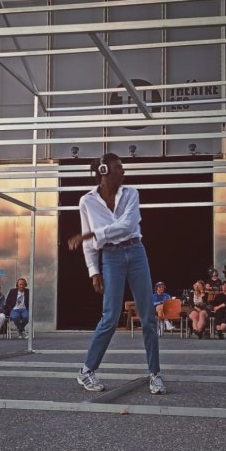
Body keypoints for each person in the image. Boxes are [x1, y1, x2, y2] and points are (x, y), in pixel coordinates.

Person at [67, 152, 165, 395]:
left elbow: (128, 226)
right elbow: (89, 246)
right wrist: (93, 271)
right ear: (104, 172)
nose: (124, 171)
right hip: (110, 256)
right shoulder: (86, 201)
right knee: (110, 317)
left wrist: (92, 234)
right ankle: (86, 371)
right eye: (119, 167)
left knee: (148, 316)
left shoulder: (131, 193)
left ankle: (155, 374)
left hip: (136, 251)